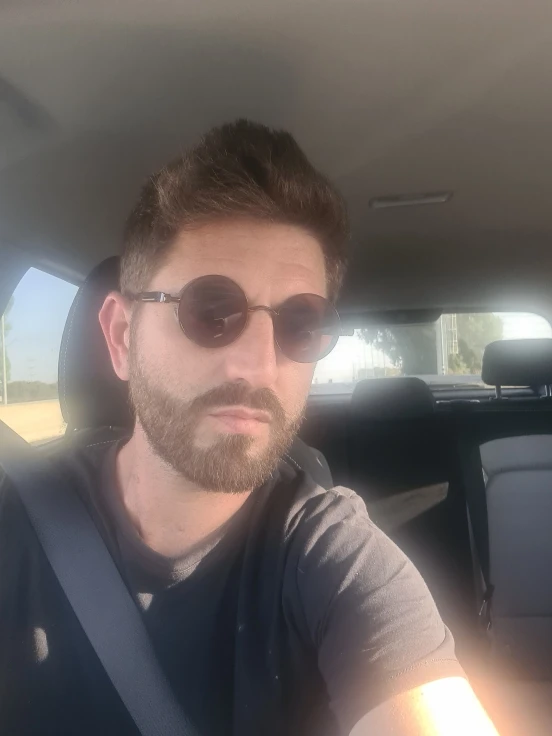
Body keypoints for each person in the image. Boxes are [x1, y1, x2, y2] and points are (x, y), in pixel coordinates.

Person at [0, 120, 499, 735]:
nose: (260, 366)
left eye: (301, 325)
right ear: (123, 336)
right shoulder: (15, 519)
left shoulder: (334, 556)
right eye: (211, 311)